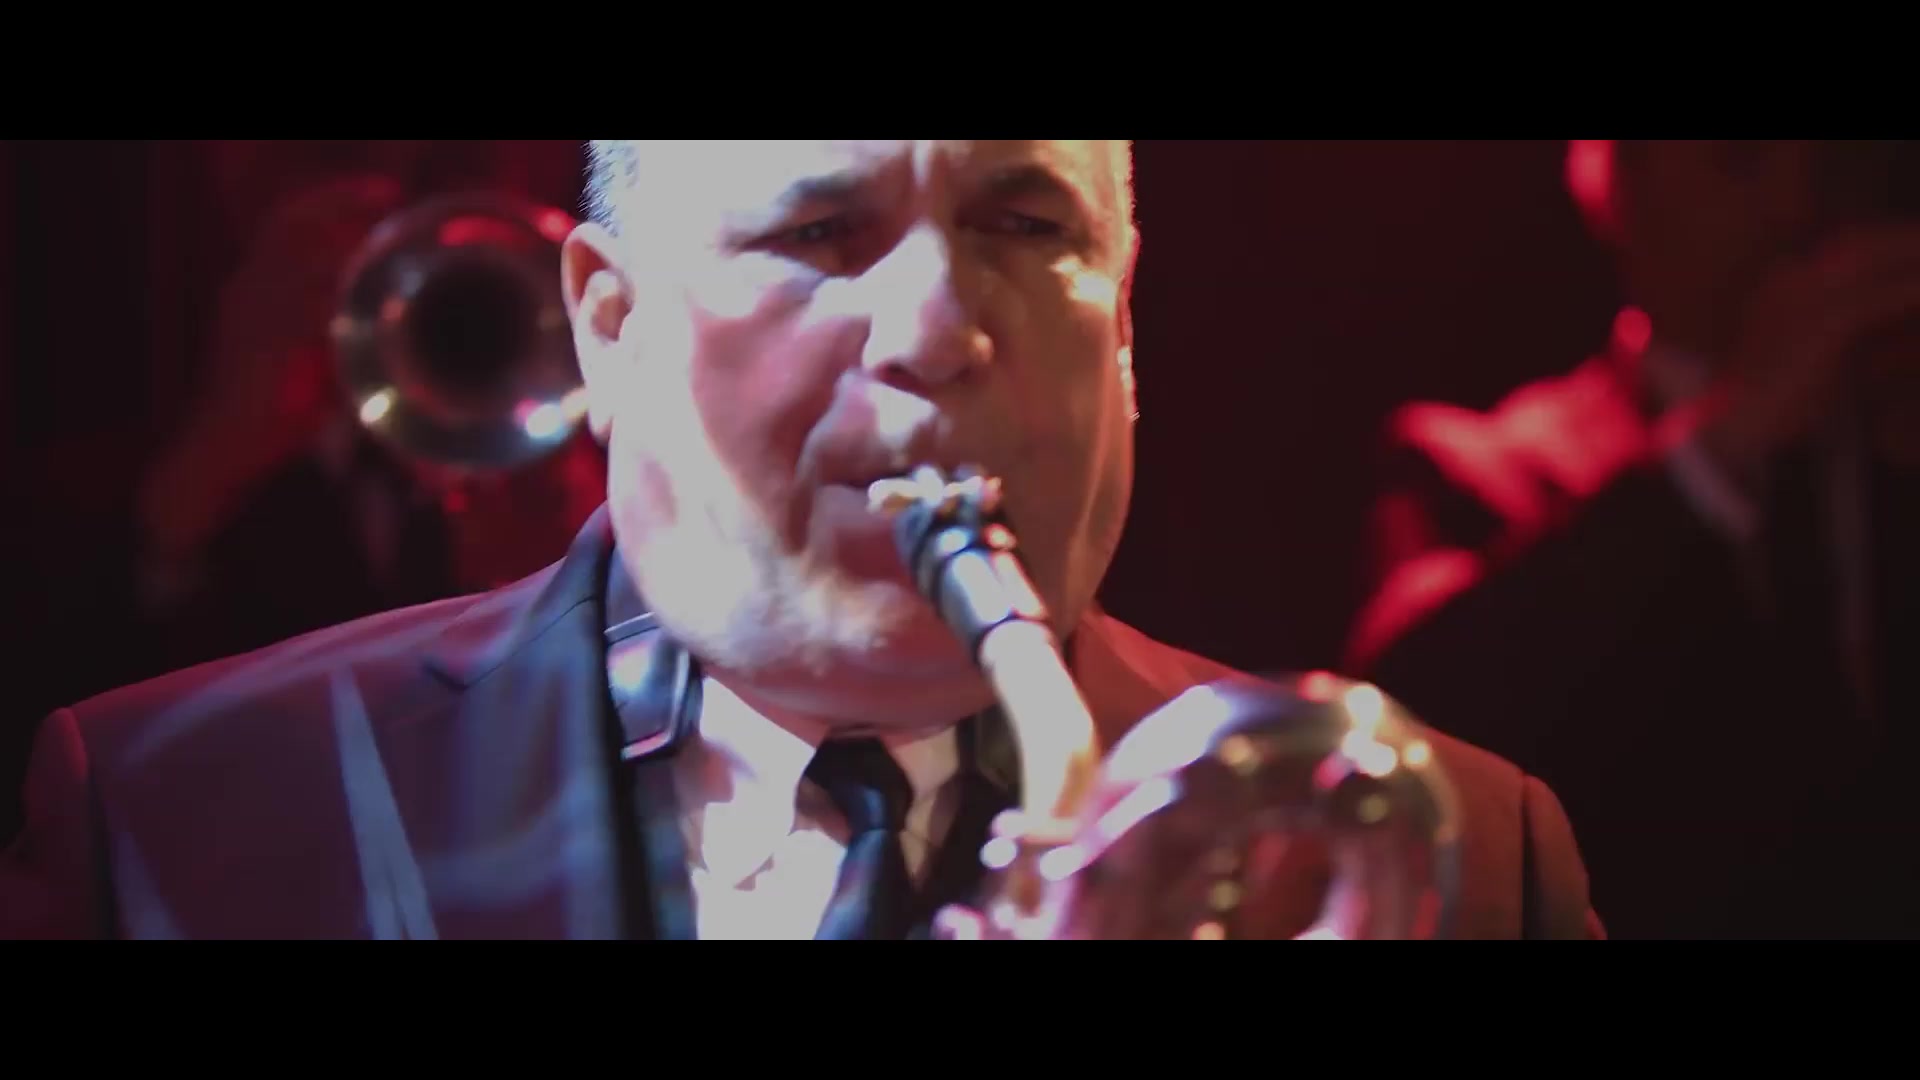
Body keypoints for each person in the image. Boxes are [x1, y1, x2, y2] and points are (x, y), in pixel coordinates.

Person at [0, 140, 1600, 940]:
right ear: (610, 329)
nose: (938, 330)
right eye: (823, 233)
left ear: (1125, 325)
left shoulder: (1452, 855)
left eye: (1025, 225)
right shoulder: (172, 818)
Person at [1345, 140, 1920, 939]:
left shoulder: (1891, 426)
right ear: (1615, 185)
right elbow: (1410, 719)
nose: (1795, 210)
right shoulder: (1485, 466)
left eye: (1827, 167)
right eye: (1742, 161)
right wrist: (1722, 448)